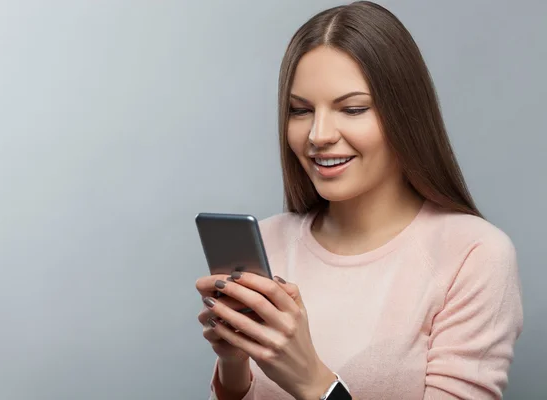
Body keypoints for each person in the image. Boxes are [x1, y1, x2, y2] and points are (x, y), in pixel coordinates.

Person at [195, 1, 523, 399]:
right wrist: (234, 365)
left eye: (352, 108)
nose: (318, 134)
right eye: (300, 110)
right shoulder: (268, 241)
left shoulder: (473, 255)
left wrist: (312, 382)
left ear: (405, 114)